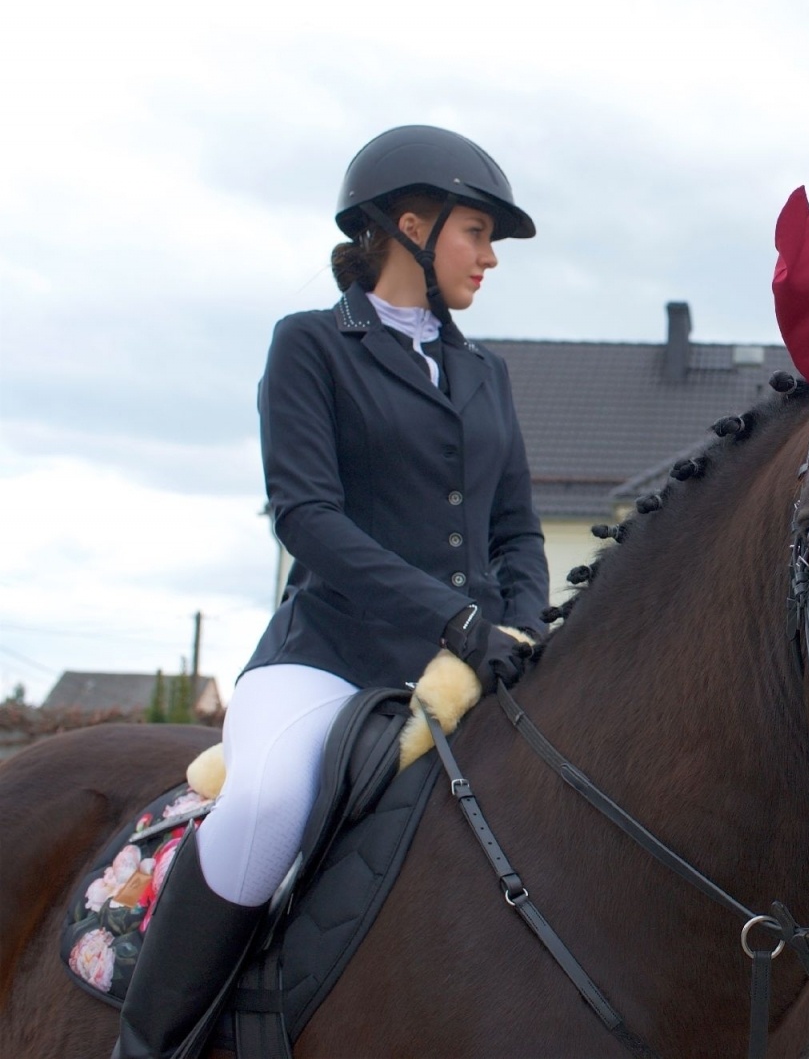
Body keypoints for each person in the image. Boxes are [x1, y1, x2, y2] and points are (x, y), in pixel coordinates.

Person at [113, 125, 550, 1059]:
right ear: (410, 225)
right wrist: (454, 615)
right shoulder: (312, 345)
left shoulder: (487, 373)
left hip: (468, 664)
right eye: (477, 232)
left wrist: (524, 624)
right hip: (328, 657)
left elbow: (515, 527)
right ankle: (150, 1042)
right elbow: (307, 517)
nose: (488, 257)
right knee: (267, 801)